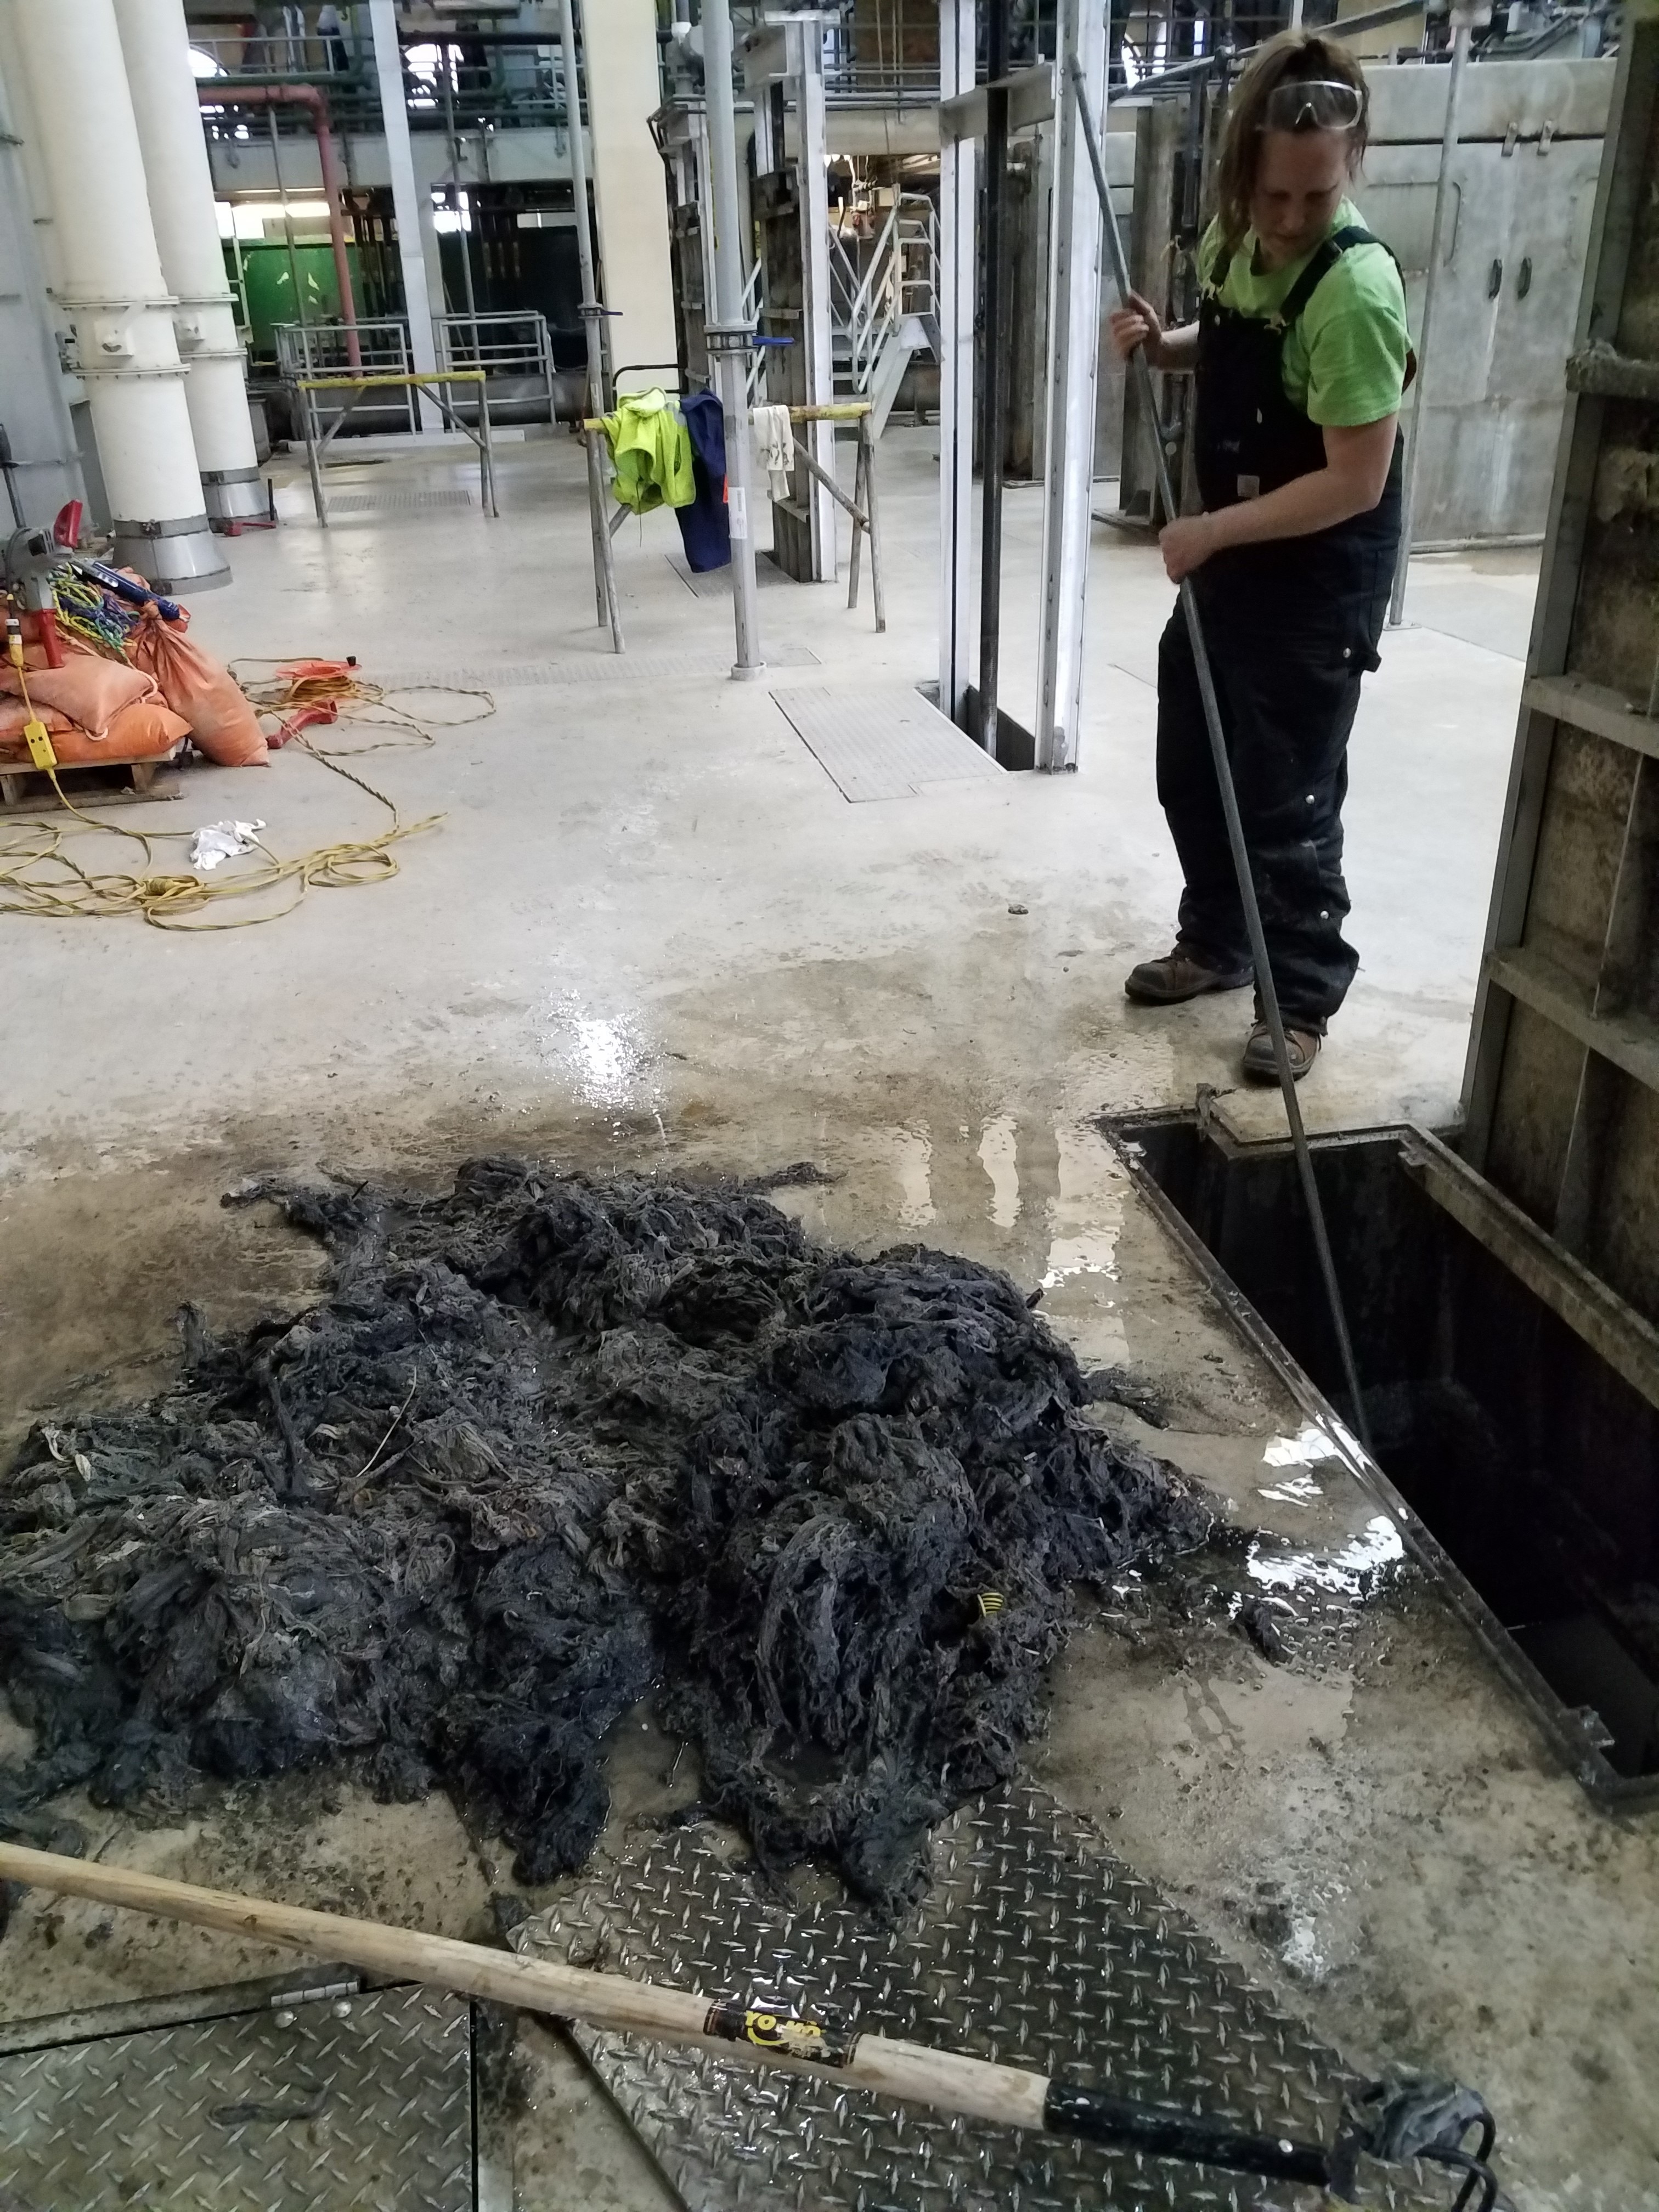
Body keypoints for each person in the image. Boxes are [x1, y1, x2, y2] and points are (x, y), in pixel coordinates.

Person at [1109, 31, 1410, 1082]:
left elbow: (1354, 482)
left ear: (1350, 166)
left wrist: (1209, 532)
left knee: (1288, 798)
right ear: (1243, 173)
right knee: (1192, 762)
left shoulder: (1358, 293)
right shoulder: (1239, 239)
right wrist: (1166, 346)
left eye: (1315, 199)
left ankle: (1300, 1000)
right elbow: (1237, 331)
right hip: (1234, 560)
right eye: (1272, 195)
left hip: (1315, 578)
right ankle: (1219, 944)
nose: (1288, 219)